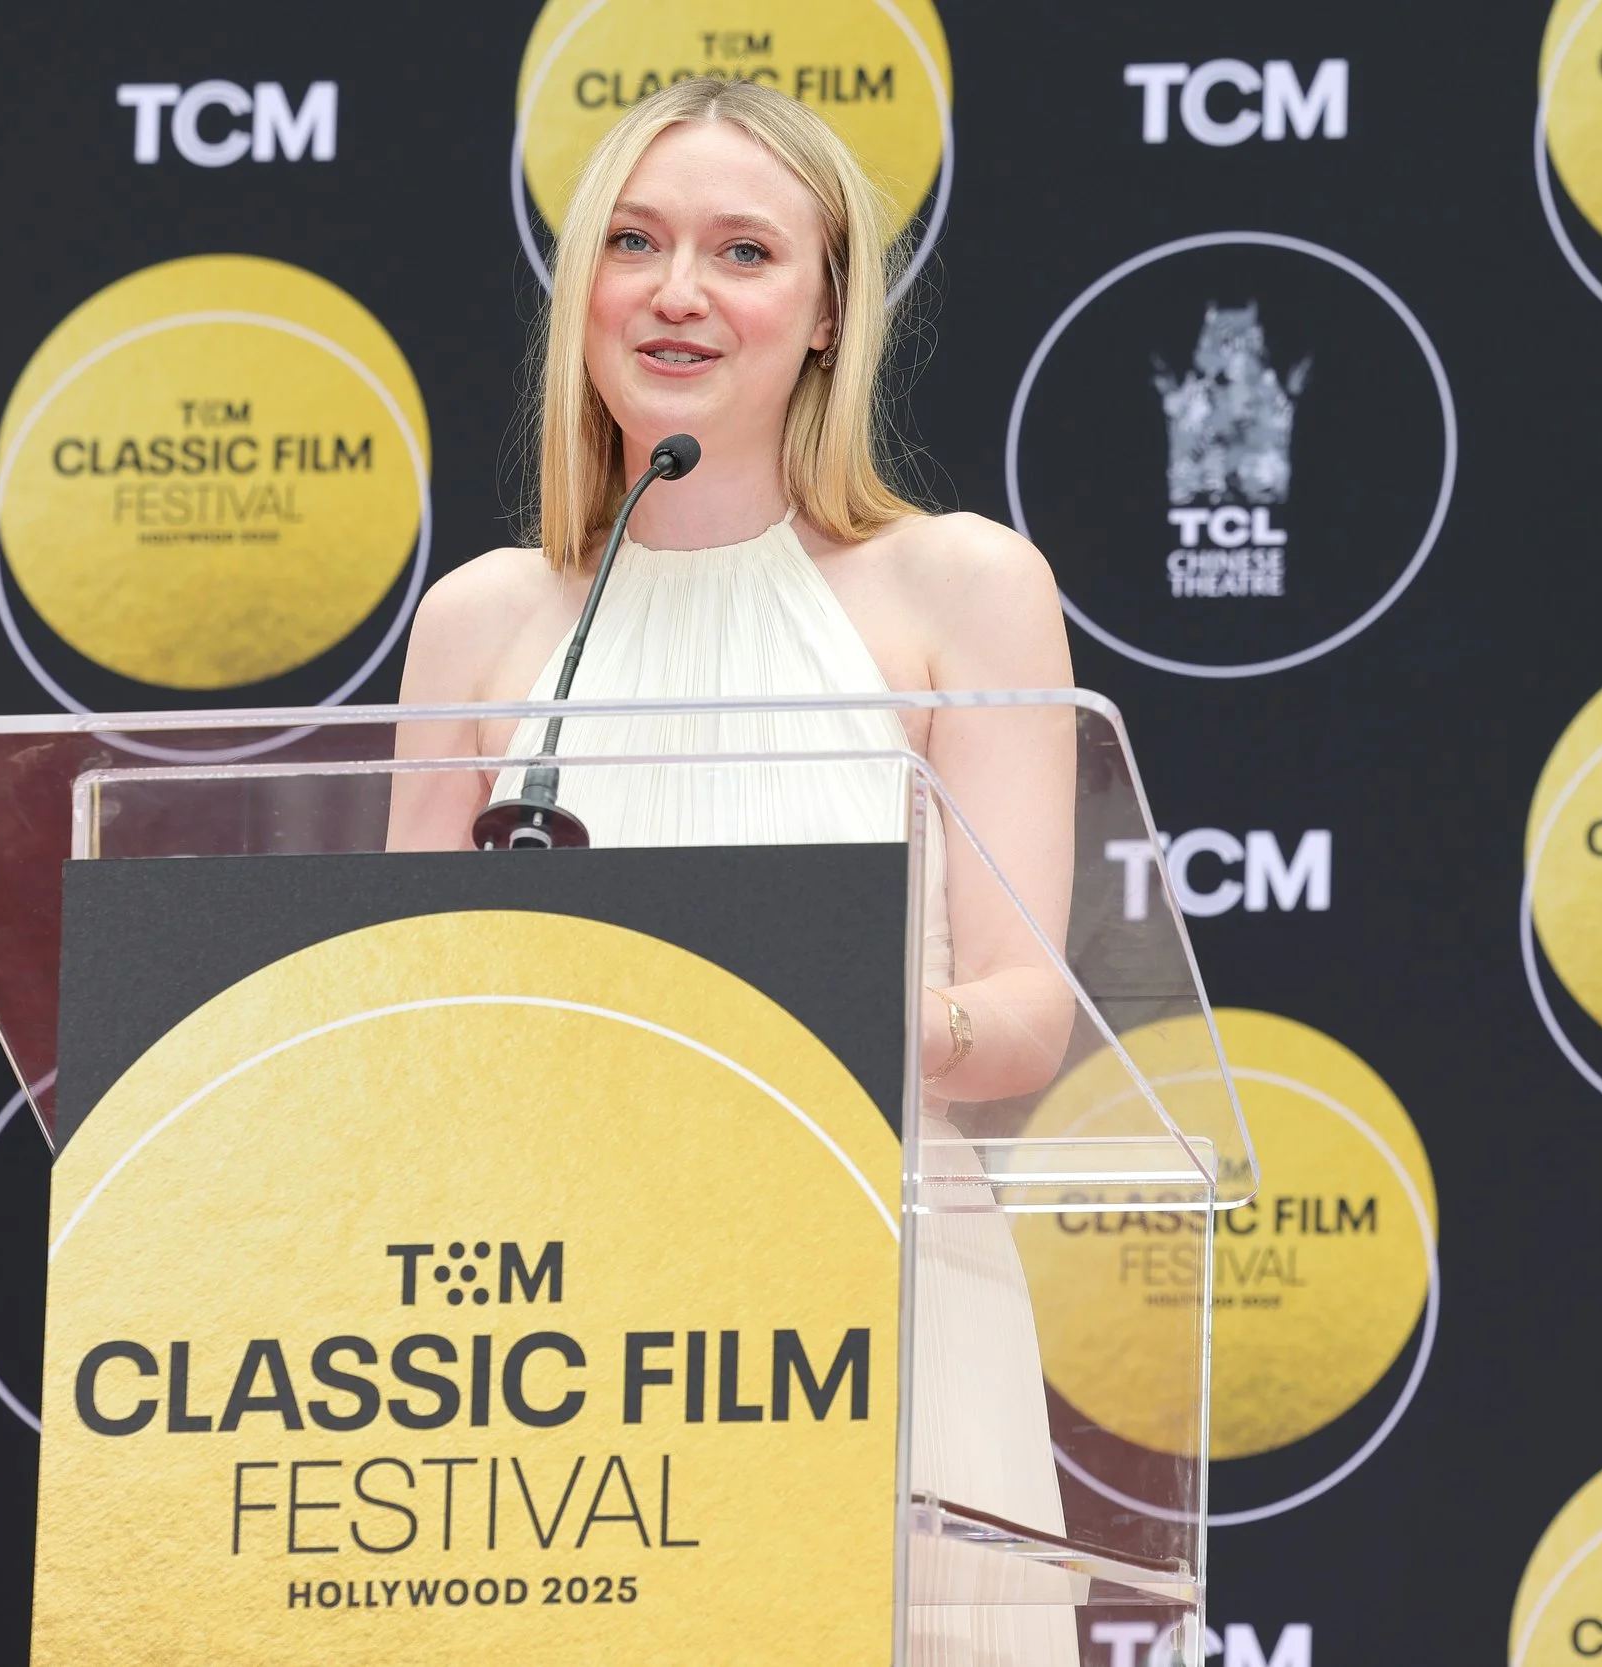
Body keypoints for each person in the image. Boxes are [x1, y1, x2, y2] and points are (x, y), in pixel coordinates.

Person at [387, 78, 1082, 1664]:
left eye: (743, 250)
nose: (677, 289)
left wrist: (772, 1004)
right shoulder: (484, 621)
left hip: (880, 1299)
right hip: (553, 1339)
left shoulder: (959, 585)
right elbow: (401, 1014)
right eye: (635, 241)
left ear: (830, 309)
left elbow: (1030, 1011)